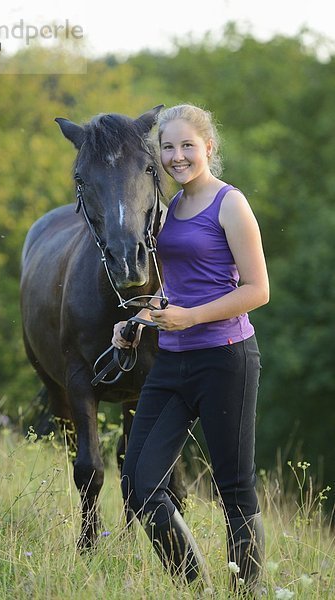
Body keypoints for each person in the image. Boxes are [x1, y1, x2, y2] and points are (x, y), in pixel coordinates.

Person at [112, 103, 269, 595]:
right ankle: (196, 586)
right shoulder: (170, 208)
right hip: (173, 361)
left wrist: (192, 317)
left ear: (208, 148)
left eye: (186, 146)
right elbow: (179, 287)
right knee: (139, 485)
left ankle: (247, 592)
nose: (177, 156)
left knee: (234, 490)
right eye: (167, 147)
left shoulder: (230, 203)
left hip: (226, 359)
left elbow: (258, 290)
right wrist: (141, 316)